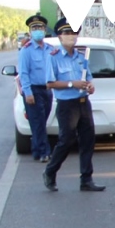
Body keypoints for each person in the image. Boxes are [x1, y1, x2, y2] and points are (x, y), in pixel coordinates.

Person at [42, 18, 104, 192]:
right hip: (67, 105)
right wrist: (72, 84)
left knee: (88, 141)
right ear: (60, 36)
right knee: (66, 141)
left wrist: (90, 86)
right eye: (66, 33)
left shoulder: (81, 56)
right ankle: (50, 171)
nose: (71, 36)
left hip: (83, 102)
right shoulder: (53, 57)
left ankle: (86, 179)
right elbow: (50, 83)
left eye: (73, 33)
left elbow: (88, 76)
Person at [18, 14, 53, 163]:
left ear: (44, 29)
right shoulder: (26, 50)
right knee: (38, 122)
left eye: (40, 27)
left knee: (40, 122)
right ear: (30, 31)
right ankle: (45, 152)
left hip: (47, 90)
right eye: (34, 28)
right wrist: (28, 92)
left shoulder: (50, 49)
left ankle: (36, 151)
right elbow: (23, 73)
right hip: (34, 90)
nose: (37, 30)